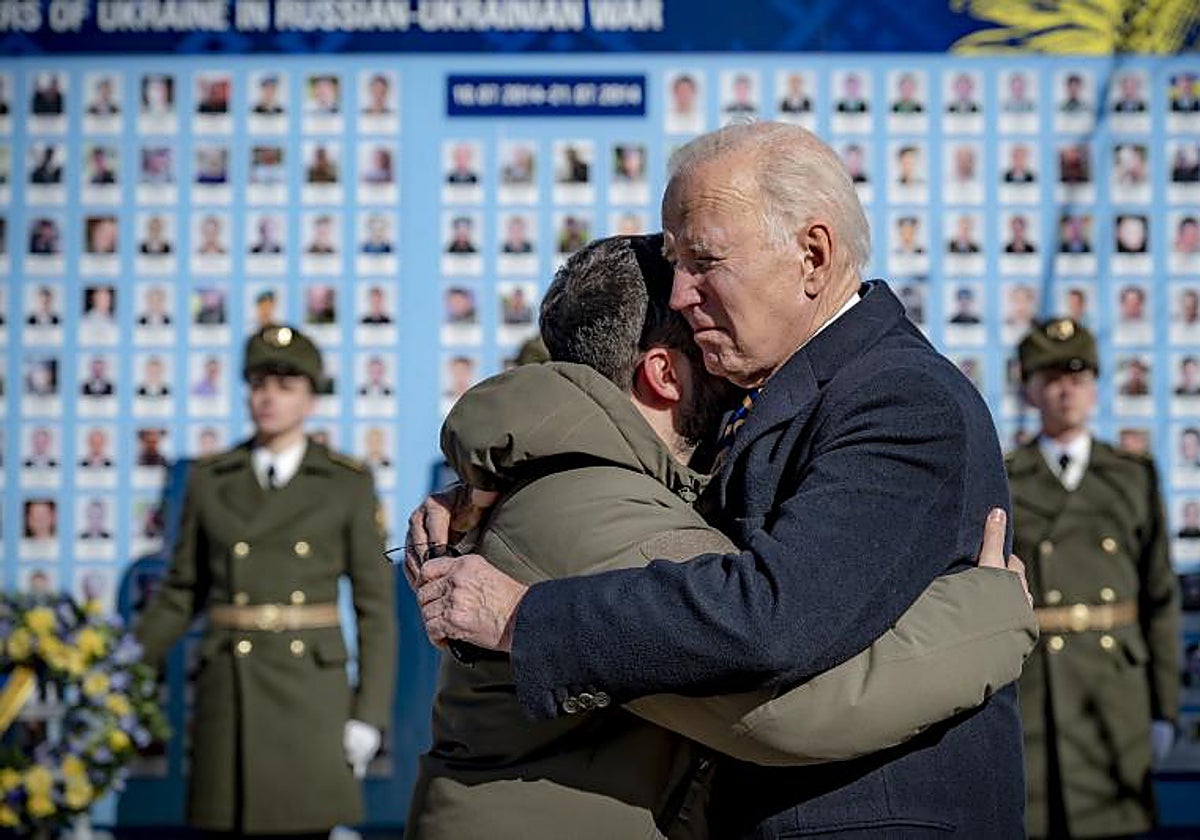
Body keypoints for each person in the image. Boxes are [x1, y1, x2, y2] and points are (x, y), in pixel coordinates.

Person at [409, 122, 1027, 838]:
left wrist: (526, 617)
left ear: (813, 256)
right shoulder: (775, 388)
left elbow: (775, 618)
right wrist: (489, 489)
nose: (679, 293)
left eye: (703, 260)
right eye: (675, 263)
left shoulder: (895, 398)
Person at [134, 324, 397, 837]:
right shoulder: (212, 480)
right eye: (259, 383)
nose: (268, 397)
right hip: (229, 687)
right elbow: (181, 592)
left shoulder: (345, 482)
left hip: (310, 694)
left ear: (310, 397)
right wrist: (120, 668)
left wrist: (368, 714)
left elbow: (375, 609)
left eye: (285, 385)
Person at [1008, 318, 1180, 838]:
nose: (1067, 391)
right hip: (1037, 692)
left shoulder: (1131, 475)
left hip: (1113, 692)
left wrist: (1163, 710)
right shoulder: (1007, 476)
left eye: (1079, 378)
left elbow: (1160, 597)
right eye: (1053, 377)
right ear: (1030, 389)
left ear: (1096, 387)